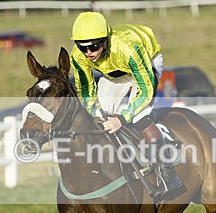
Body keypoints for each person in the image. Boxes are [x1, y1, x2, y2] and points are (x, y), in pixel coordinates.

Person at [68, 11, 184, 200]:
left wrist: (122, 118)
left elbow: (146, 89)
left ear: (105, 40)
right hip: (114, 71)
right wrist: (96, 112)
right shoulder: (78, 56)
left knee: (138, 115)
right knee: (99, 116)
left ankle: (167, 171)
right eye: (82, 47)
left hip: (146, 61)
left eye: (94, 46)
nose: (88, 52)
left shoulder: (128, 48)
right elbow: (86, 91)